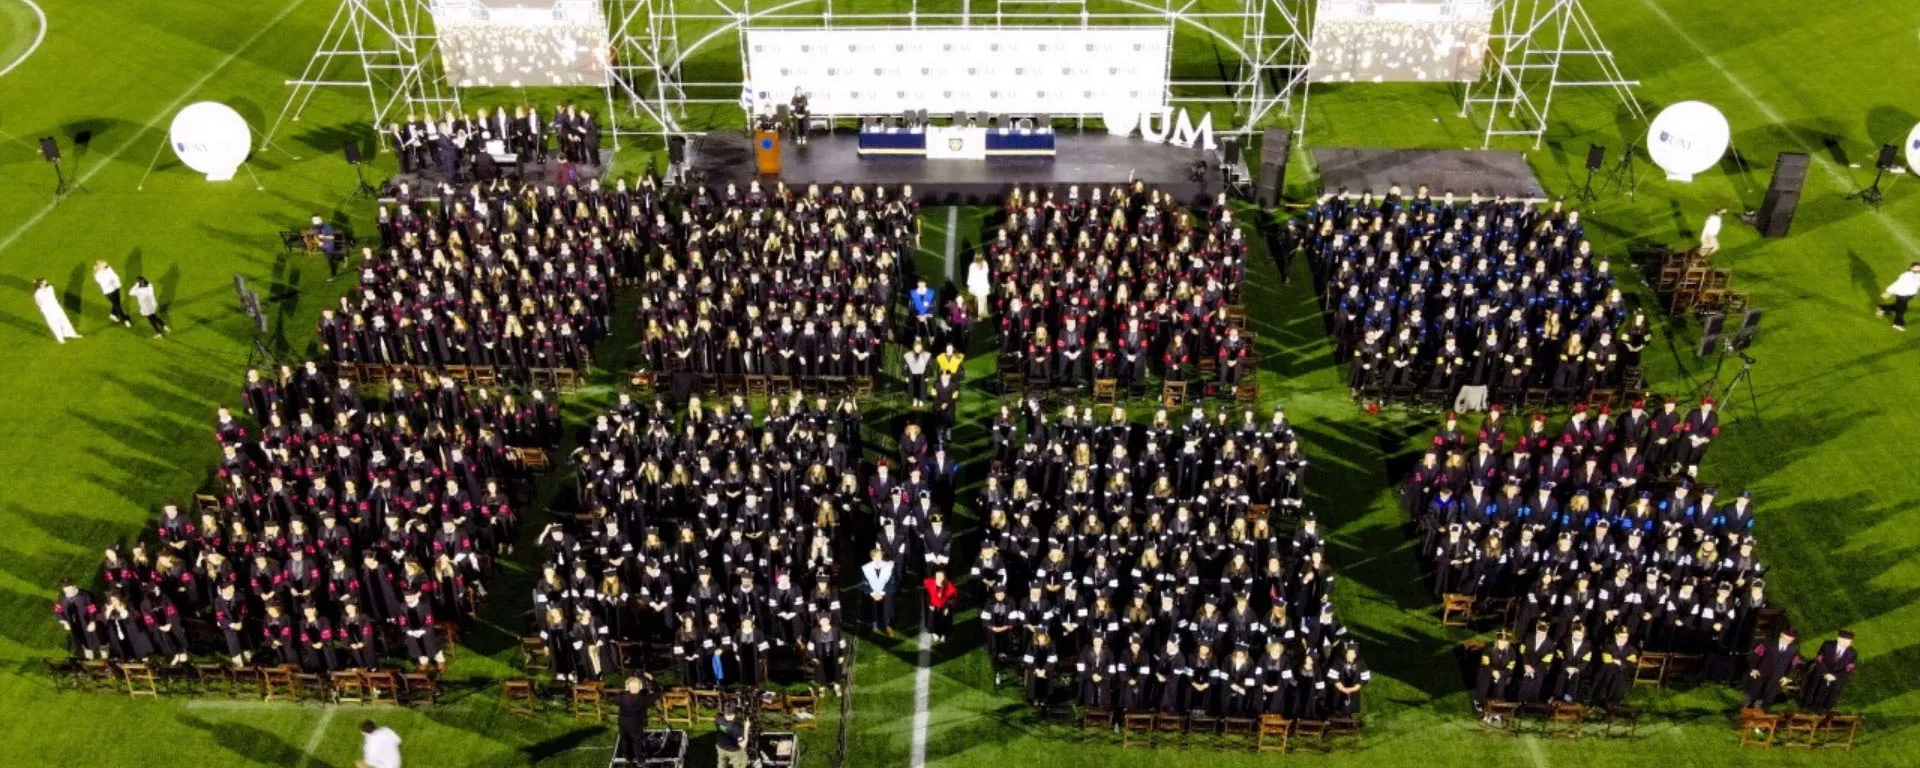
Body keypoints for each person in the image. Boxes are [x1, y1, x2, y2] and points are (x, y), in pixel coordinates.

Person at [1800, 630, 1857, 712]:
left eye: (1848, 641)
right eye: (1843, 640)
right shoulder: (1827, 645)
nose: (1845, 643)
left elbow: (1849, 668)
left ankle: (1825, 707)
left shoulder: (1853, 653)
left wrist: (1835, 676)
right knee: (1815, 684)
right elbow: (1819, 659)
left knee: (1834, 688)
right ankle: (1807, 704)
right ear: (1838, 639)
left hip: (1837, 675)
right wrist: (1826, 673)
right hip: (1822, 670)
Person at [612, 674, 663, 763]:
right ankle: (639, 759)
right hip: (637, 724)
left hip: (623, 724)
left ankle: (628, 757)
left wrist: (625, 692)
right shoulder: (643, 700)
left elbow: (612, 698)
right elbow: (658, 693)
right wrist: (652, 679)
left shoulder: (621, 698)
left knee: (625, 740)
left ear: (627, 687)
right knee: (637, 742)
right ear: (640, 687)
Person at [33, 278, 81, 343]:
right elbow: (38, 302)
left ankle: (71, 333)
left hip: (56, 307)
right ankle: (60, 339)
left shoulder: (50, 288)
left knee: (64, 320)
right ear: (40, 284)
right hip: (47, 310)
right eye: (44, 282)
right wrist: (42, 309)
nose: (46, 282)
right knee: (54, 324)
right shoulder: (37, 293)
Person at [1878, 261, 1920, 331]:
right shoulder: (1906, 276)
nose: (1918, 270)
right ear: (1911, 268)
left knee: (1898, 307)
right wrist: (1888, 292)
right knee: (1901, 310)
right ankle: (1897, 324)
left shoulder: (1918, 275)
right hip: (1902, 295)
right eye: (1916, 268)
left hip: (1909, 296)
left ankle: (1882, 308)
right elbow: (1897, 285)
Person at [923, 568, 958, 645]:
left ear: (944, 577)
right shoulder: (930, 583)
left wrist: (947, 607)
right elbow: (927, 594)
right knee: (932, 620)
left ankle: (944, 634)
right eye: (937, 576)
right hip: (933, 606)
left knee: (945, 620)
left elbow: (952, 598)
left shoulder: (949, 586)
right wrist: (930, 605)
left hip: (944, 607)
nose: (939, 578)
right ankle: (934, 632)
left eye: (941, 576)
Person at [92, 261, 131, 327]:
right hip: (109, 292)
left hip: (115, 288)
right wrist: (112, 278)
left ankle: (113, 315)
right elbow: (107, 281)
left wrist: (117, 283)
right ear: (99, 268)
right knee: (117, 306)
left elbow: (114, 276)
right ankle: (124, 320)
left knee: (117, 303)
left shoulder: (107, 269)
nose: (106, 266)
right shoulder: (98, 275)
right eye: (104, 266)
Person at [714, 704, 751, 768]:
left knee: (721, 764)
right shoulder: (737, 728)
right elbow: (743, 744)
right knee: (741, 764)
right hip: (734, 751)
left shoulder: (717, 719)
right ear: (735, 712)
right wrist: (746, 728)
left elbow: (724, 727)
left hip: (720, 747)